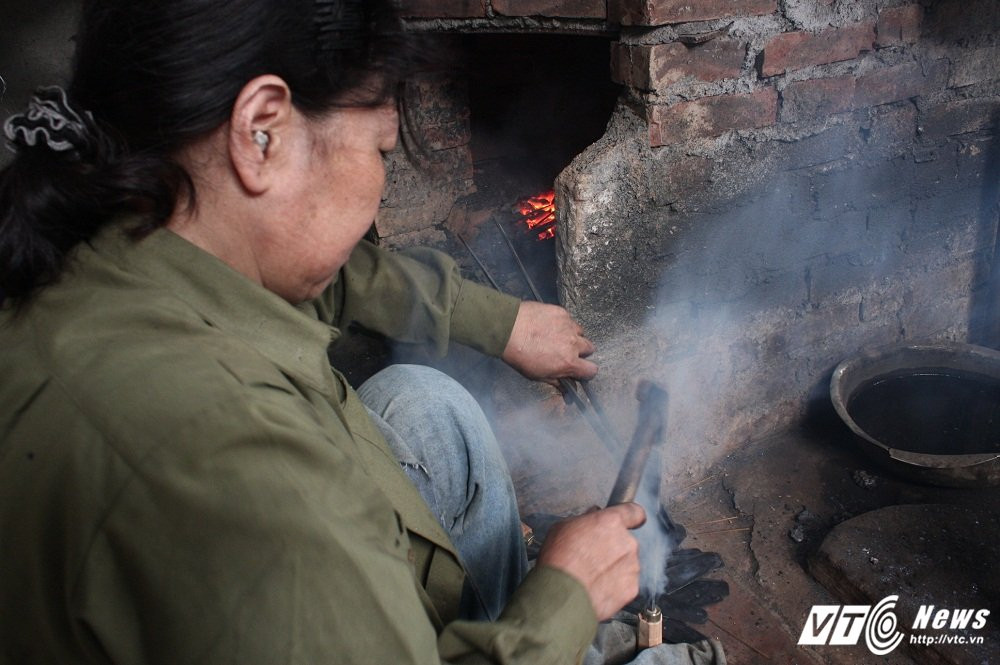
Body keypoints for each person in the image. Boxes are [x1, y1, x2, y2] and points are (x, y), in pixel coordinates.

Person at [0, 1, 651, 663]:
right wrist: (564, 598)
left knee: (428, 407)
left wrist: (499, 322)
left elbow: (340, 274)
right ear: (262, 132)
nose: (376, 185)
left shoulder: (100, 240)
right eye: (379, 150)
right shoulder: (252, 481)